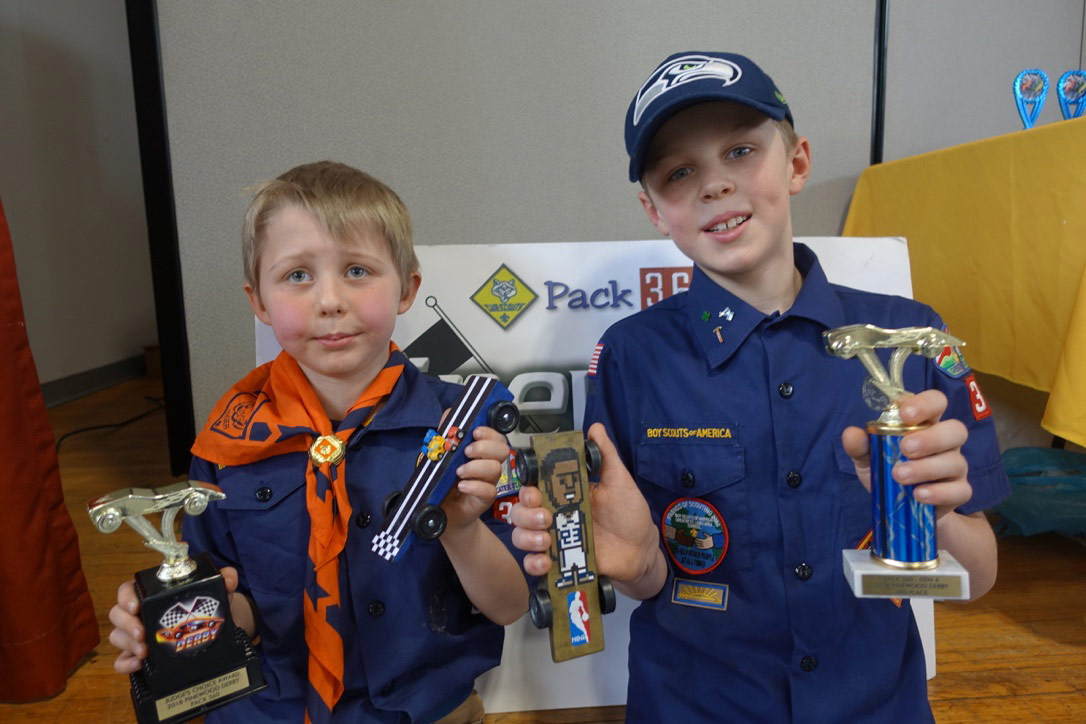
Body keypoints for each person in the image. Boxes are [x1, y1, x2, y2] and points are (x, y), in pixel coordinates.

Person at [511, 51, 1010, 722]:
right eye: (679, 172)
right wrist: (635, 568)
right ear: (654, 210)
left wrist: (936, 511)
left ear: (798, 162)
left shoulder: (907, 339)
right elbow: (647, 572)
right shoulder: (631, 356)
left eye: (741, 150)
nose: (714, 185)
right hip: (694, 705)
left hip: (876, 704)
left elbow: (979, 578)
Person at [108, 161, 528, 723]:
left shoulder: (466, 431)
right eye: (297, 276)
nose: (329, 300)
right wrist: (177, 620)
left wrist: (460, 524)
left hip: (426, 711)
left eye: (357, 270)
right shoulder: (225, 444)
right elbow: (240, 607)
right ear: (258, 300)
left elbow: (510, 605)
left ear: (407, 288)